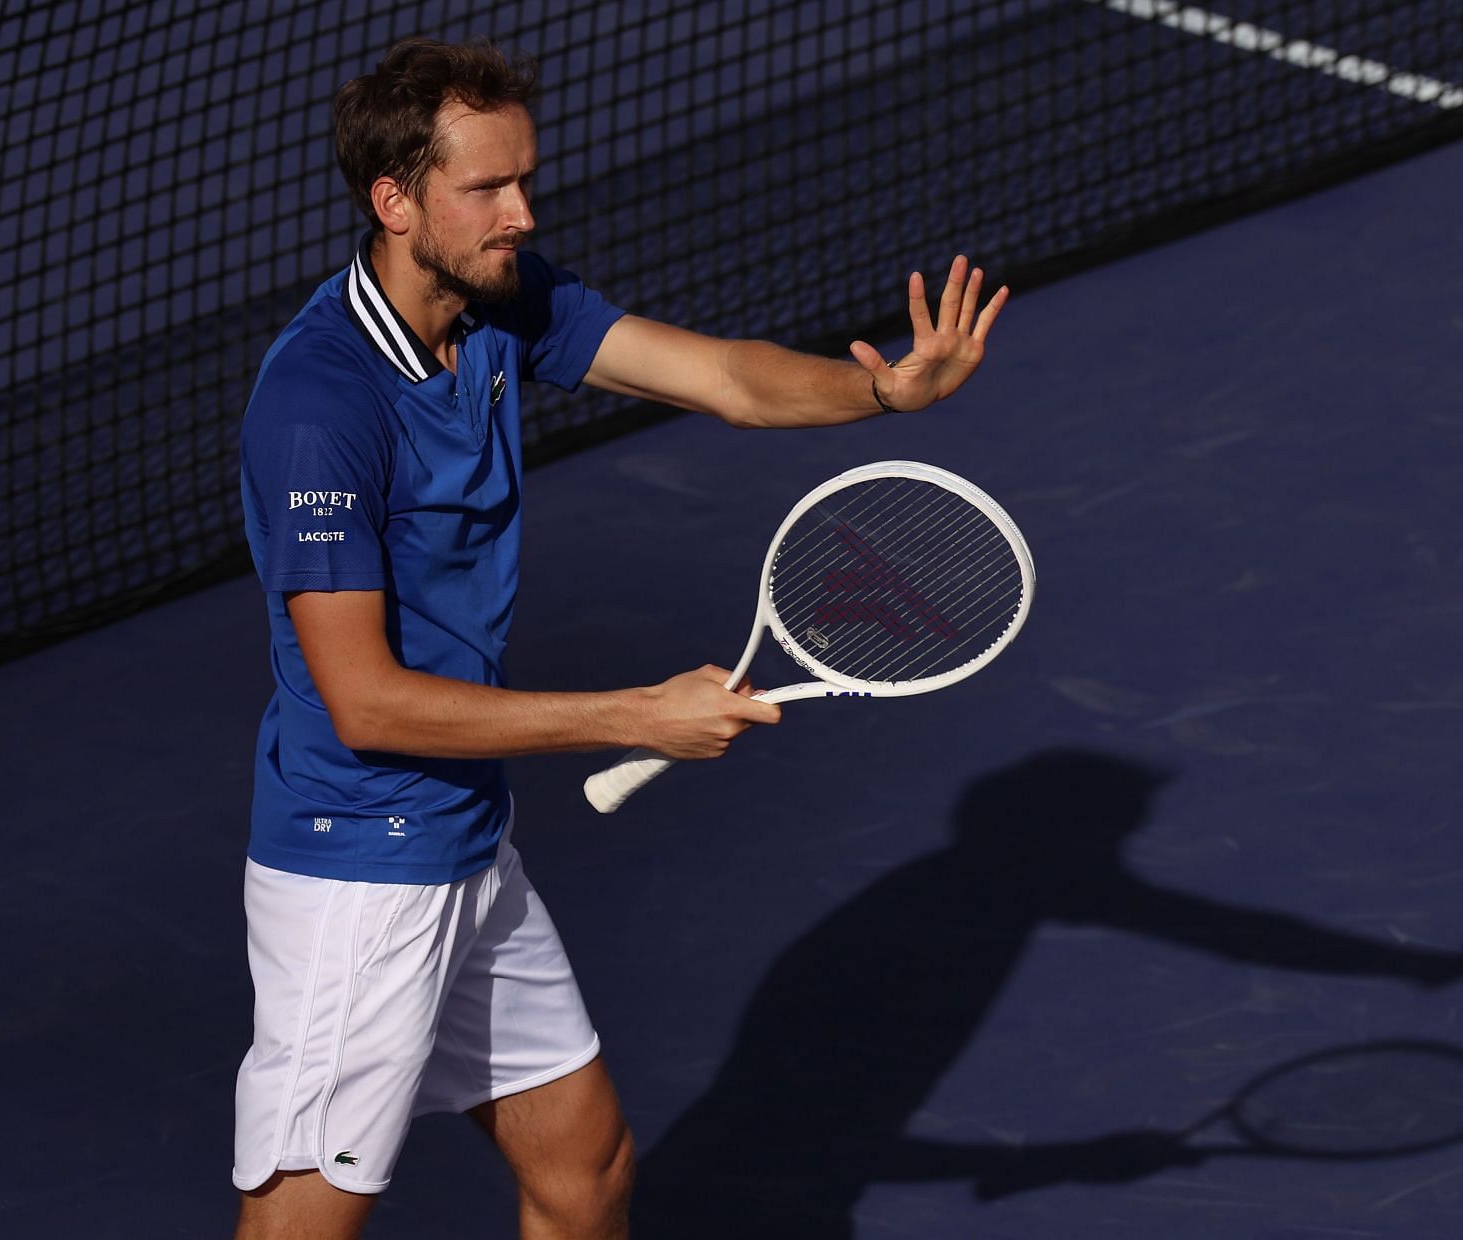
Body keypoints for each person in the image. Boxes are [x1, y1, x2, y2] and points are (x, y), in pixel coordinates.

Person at [230, 35, 1007, 1239]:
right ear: (395, 201)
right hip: (362, 870)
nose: (522, 213)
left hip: (461, 836)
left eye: (523, 179)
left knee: (584, 1172)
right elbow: (366, 703)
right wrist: (636, 716)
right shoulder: (319, 407)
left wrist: (882, 393)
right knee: (301, 1225)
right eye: (487, 189)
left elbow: (728, 378)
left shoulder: (500, 303)